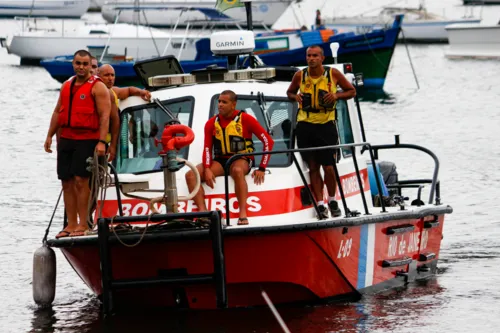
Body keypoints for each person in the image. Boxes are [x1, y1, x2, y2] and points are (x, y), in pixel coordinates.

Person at [44, 49, 111, 238]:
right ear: (73, 64)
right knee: (66, 181)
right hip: (66, 138)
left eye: (85, 64)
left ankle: (83, 223)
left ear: (91, 66)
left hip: (87, 139)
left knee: (82, 181)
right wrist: (49, 135)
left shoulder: (98, 87)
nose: (81, 67)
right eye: (77, 63)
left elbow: (105, 116)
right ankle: (70, 223)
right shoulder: (66, 85)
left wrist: (101, 142)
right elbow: (58, 111)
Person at [286, 45, 356, 219]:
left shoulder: (333, 74)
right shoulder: (300, 75)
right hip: (305, 124)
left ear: (322, 58)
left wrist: (336, 96)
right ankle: (320, 204)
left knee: (329, 167)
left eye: (315, 56)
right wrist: (296, 97)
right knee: (313, 167)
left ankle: (332, 199)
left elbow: (352, 91)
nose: (311, 59)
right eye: (309, 56)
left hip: (326, 124)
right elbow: (289, 92)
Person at [185, 90, 274, 225]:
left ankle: (242, 213)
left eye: (224, 102)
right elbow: (207, 148)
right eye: (219, 101)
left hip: (242, 158)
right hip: (221, 160)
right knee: (191, 175)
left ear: (233, 104)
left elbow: (268, 142)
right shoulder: (211, 123)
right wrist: (207, 168)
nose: (220, 105)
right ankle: (203, 214)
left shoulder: (246, 119)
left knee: (237, 171)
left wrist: (262, 167)